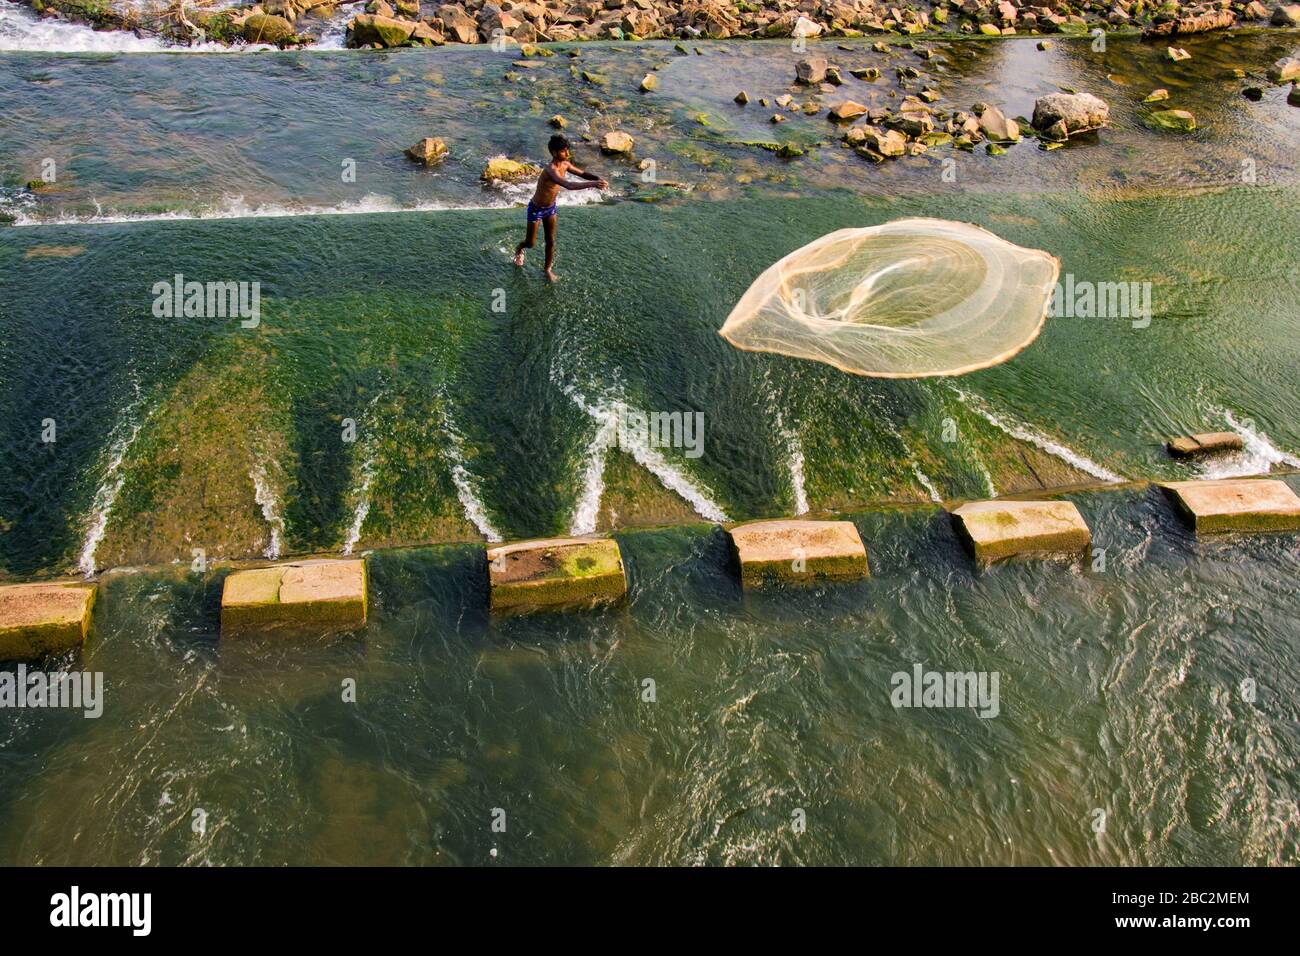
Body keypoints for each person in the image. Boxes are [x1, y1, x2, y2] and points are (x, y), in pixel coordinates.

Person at [513, 135, 607, 282]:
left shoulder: (565, 164)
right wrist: (593, 185)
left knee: (551, 240)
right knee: (531, 243)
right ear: (555, 153)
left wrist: (597, 179)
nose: (567, 153)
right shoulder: (550, 170)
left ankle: (547, 269)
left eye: (567, 150)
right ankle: (519, 248)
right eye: (564, 151)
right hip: (536, 209)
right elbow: (568, 185)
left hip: (550, 208)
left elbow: (583, 174)